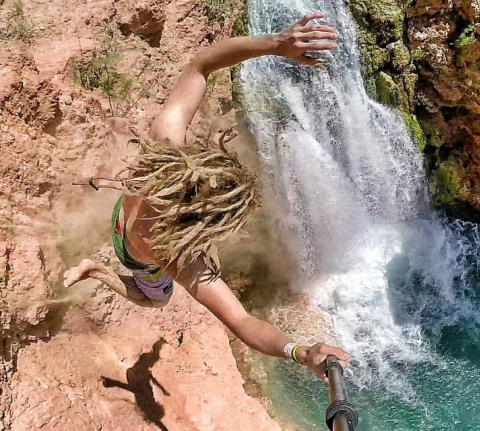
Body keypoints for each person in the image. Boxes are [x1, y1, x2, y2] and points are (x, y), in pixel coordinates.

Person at [63, 12, 348, 381]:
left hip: (124, 213)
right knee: (153, 300)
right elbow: (243, 322)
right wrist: (302, 352)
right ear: (205, 225)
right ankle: (94, 270)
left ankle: (95, 255)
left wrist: (278, 43)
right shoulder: (178, 259)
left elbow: (201, 66)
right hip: (133, 254)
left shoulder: (160, 150)